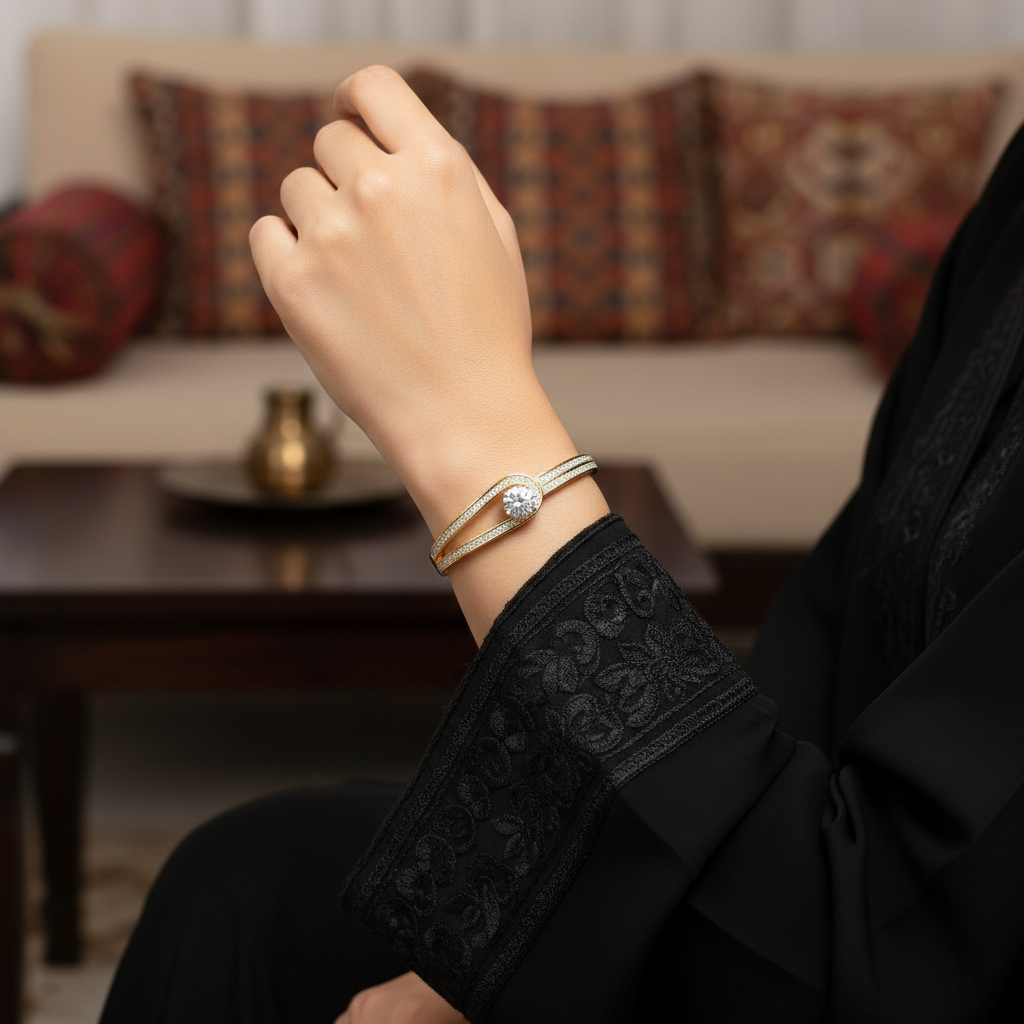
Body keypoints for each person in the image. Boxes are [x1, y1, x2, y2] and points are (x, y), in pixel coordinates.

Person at [98, 65, 1024, 1024]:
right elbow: (833, 626)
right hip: (798, 873)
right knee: (245, 880)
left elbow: (873, 965)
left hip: (839, 959)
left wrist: (468, 426)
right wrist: (516, 943)